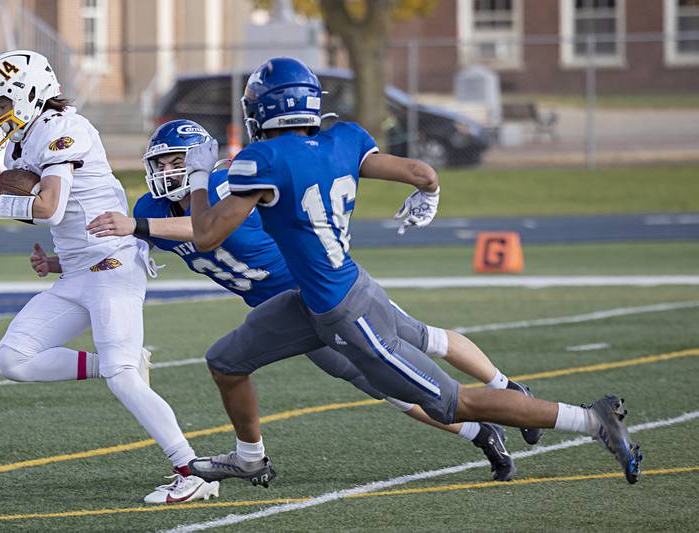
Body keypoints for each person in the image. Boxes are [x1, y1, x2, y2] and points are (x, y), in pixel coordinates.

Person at [181, 57, 642, 487]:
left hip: (345, 314)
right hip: (331, 292)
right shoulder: (343, 139)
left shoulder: (264, 161)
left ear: (264, 110)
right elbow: (423, 171)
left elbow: (205, 235)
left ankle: (590, 420)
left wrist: (200, 178)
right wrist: (429, 197)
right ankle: (249, 457)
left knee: (454, 404)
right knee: (226, 362)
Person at [87, 119, 546, 482]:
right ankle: (481, 432)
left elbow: (203, 232)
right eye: (159, 163)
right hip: (288, 313)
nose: (164, 171)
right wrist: (59, 260)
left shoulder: (228, 182)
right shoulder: (149, 210)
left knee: (419, 338)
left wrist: (138, 227)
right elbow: (133, 245)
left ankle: (506, 389)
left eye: (173, 161)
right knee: (382, 384)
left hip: (324, 288)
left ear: (198, 160)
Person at [0, 50, 219, 504]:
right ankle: (117, 362)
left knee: (124, 376)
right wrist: (57, 262)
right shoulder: (19, 143)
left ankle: (192, 470)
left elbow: (50, 206)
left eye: (3, 103)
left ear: (29, 94)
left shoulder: (65, 127)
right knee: (15, 359)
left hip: (112, 265)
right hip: (80, 269)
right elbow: (59, 214)